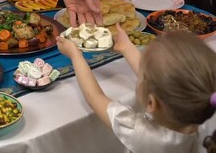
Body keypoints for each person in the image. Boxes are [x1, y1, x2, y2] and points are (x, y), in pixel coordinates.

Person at [57, 24, 216, 153]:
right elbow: (160, 79)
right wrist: (126, 47)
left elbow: (95, 97)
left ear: (151, 103)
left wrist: (75, 55)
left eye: (142, 77)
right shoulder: (200, 108)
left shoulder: (142, 133)